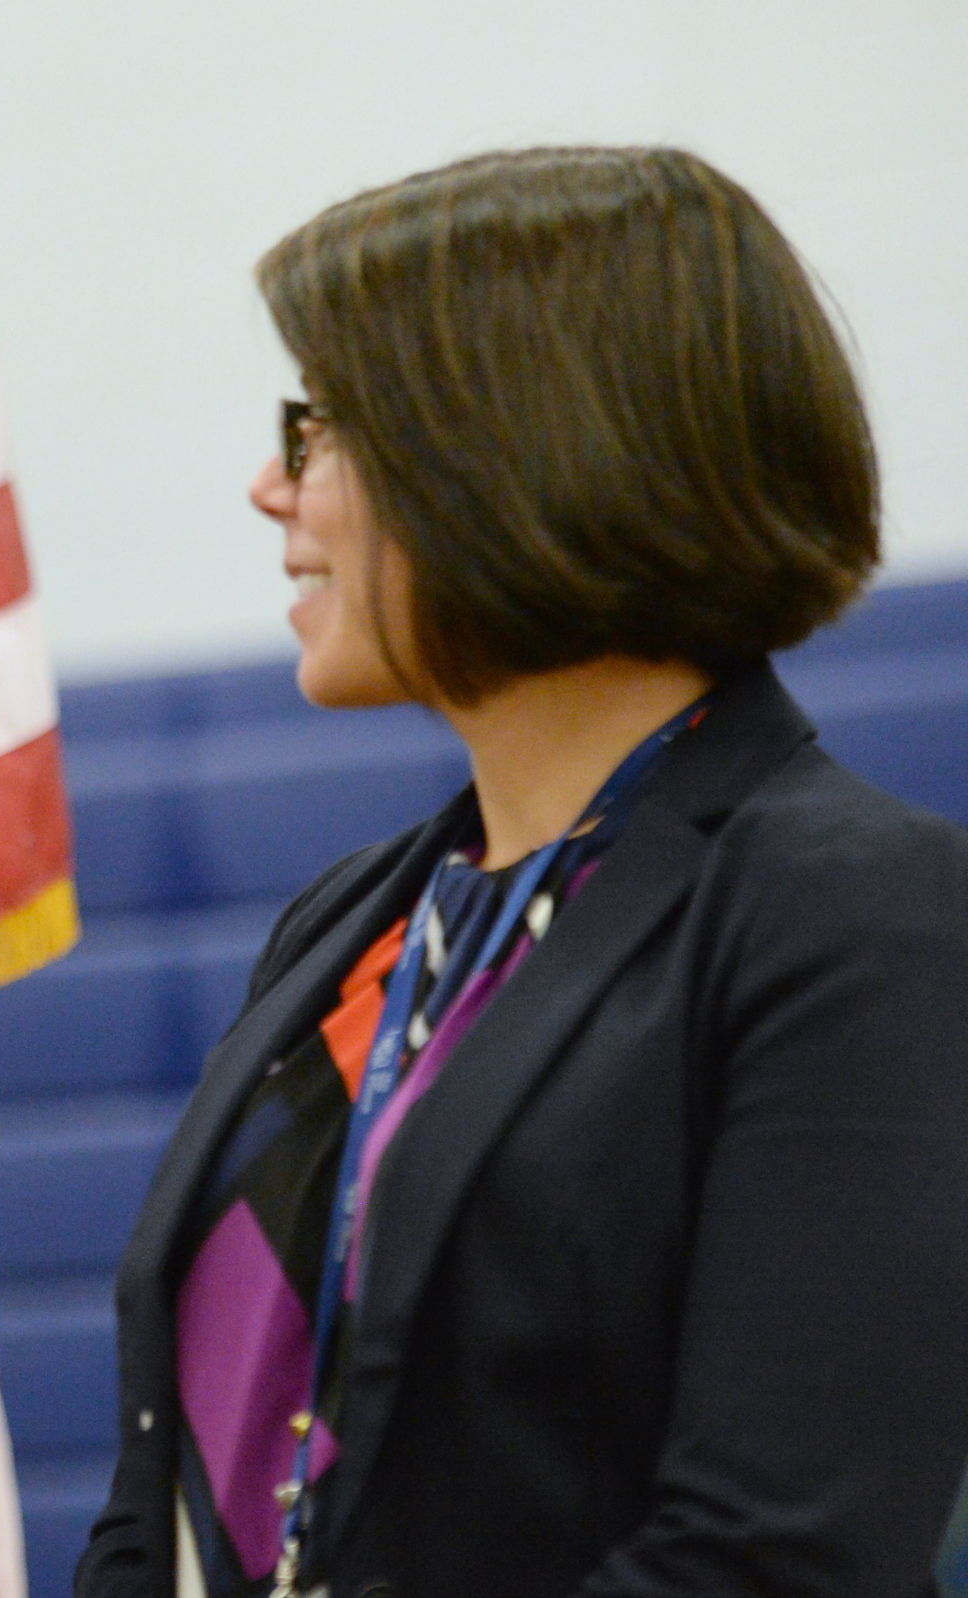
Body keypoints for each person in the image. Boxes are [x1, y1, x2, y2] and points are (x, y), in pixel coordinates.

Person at [77, 146, 968, 1598]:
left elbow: (778, 1554)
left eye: (320, 427)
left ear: (513, 446)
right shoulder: (350, 925)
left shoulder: (848, 909)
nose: (270, 485)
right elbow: (161, 1491)